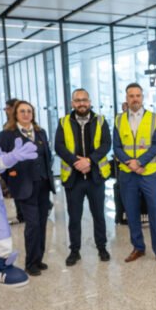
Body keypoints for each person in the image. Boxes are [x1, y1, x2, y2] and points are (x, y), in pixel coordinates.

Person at [113, 83, 156, 266]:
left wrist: (139, 162)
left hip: (149, 173)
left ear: (142, 97)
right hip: (127, 174)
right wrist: (130, 163)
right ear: (126, 98)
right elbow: (116, 147)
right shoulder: (118, 119)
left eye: (138, 95)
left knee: (155, 211)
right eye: (131, 96)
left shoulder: (154, 118)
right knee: (131, 212)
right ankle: (138, 247)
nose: (135, 99)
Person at [54, 87, 111, 265]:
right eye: (78, 100)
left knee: (99, 216)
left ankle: (102, 247)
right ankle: (74, 251)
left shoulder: (100, 120)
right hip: (74, 178)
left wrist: (89, 161)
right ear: (72, 103)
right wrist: (76, 162)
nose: (81, 103)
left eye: (84, 100)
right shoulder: (63, 122)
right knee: (74, 218)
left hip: (95, 177)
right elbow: (59, 146)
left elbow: (106, 144)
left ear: (90, 102)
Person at [0, 100, 53, 275]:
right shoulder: (7, 135)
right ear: (15, 114)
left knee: (42, 223)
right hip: (24, 186)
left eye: (29, 111)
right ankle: (30, 263)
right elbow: (1, 162)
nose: (26, 114)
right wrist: (11, 180)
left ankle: (39, 259)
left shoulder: (40, 132)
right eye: (22, 111)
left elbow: (47, 156)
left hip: (43, 184)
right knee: (33, 224)